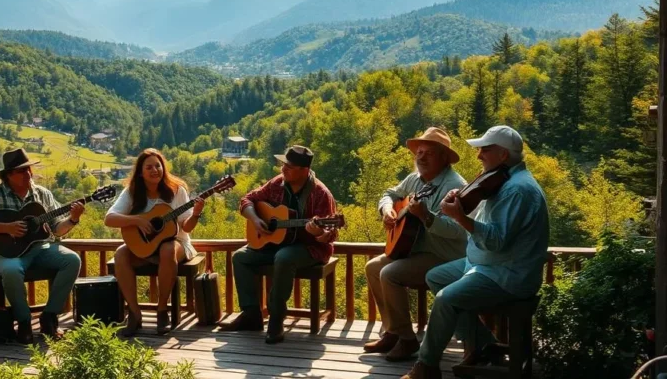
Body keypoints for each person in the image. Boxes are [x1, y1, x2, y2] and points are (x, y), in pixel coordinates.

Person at [401, 126, 550, 379]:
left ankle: (426, 366)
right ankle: (482, 343)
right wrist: (460, 206)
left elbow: (496, 241)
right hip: (487, 265)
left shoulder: (516, 190)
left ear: (503, 155)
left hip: (508, 274)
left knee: (447, 298)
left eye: (485, 150)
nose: (479, 155)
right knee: (436, 277)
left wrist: (459, 217)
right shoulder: (501, 181)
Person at [364, 127, 468, 362]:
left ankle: (408, 340)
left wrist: (426, 216)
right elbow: (389, 193)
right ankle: (392, 331)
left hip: (445, 256)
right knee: (373, 267)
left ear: (443, 157)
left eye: (428, 153)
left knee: (389, 273)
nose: (420, 157)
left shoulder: (456, 186)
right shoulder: (415, 179)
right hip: (415, 251)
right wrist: (387, 209)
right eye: (419, 152)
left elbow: (457, 231)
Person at [220, 145, 338, 344]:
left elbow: (330, 235)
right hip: (276, 245)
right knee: (240, 257)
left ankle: (276, 319)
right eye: (283, 164)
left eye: (289, 166)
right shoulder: (277, 183)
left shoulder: (320, 194)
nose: (283, 169)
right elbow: (247, 200)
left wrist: (318, 231)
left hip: (309, 248)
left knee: (284, 257)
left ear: (305, 171)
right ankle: (251, 315)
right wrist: (256, 219)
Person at [0, 148, 83, 344]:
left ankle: (49, 317)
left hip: (39, 248)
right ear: (8, 175)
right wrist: (7, 227)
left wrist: (73, 219)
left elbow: (57, 229)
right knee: (12, 270)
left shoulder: (42, 194)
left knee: (72, 260)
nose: (27, 174)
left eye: (28, 169)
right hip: (4, 252)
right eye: (21, 171)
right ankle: (24, 322)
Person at [104, 148, 204, 336]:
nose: (154, 170)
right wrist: (137, 220)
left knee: (167, 249)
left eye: (158, 166)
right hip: (146, 247)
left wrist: (197, 212)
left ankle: (162, 310)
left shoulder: (177, 191)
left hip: (178, 244)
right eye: (149, 167)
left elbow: (187, 227)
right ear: (141, 173)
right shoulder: (132, 192)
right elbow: (109, 219)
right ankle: (134, 313)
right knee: (120, 254)